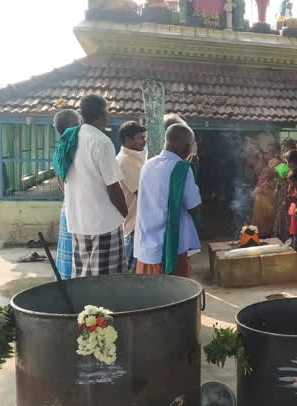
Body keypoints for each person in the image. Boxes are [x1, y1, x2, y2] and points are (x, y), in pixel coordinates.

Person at [64, 95, 128, 278]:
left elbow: (61, 175)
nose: (109, 115)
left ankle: (85, 307)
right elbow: (113, 187)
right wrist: (125, 213)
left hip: (77, 220)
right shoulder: (101, 141)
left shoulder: (69, 138)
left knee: (83, 277)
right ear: (101, 115)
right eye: (107, 110)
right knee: (106, 279)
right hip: (103, 222)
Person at [134, 124, 202, 277]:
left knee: (150, 297)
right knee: (176, 297)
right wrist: (193, 171)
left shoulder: (147, 165)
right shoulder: (181, 169)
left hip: (146, 250)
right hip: (171, 249)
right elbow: (194, 207)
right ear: (186, 147)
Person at [52, 110, 81, 280]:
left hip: (67, 207)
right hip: (80, 209)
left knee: (66, 255)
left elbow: (61, 184)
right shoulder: (79, 147)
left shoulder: (60, 149)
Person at [116, 121, 147, 272]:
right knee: (132, 273)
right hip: (134, 224)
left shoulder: (133, 157)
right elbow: (143, 192)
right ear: (128, 140)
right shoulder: (126, 160)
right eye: (140, 138)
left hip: (136, 221)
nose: (144, 140)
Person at [274, 138, 297, 242]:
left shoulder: (293, 164)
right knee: (281, 215)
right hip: (282, 190)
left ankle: (288, 239)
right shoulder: (283, 162)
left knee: (287, 216)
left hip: (289, 191)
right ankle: (281, 238)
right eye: (282, 148)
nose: (283, 150)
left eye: (285, 148)